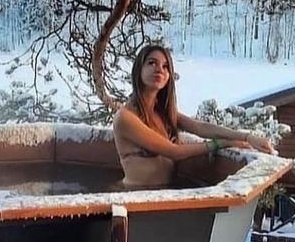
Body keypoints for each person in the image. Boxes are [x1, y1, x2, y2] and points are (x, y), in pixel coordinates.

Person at [113, 44, 275, 188]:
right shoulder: (126, 118)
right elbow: (174, 152)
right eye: (152, 63)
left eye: (165, 66)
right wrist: (222, 143)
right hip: (135, 194)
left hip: (166, 192)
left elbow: (199, 127)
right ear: (138, 70)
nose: (159, 69)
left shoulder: (161, 112)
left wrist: (247, 137)